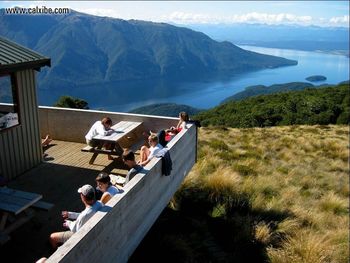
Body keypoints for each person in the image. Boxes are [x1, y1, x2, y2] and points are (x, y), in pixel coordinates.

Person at [49, 184, 102, 250]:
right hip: (95, 231)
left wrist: (68, 223)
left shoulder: (85, 215)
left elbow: (76, 229)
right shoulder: (99, 204)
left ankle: (56, 251)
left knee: (52, 237)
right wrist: (70, 214)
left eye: (81, 194)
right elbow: (84, 215)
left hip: (82, 237)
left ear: (83, 197)